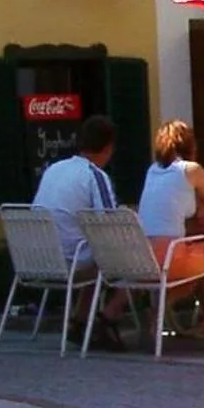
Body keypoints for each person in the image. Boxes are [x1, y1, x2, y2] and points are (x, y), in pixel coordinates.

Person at [28, 114, 130, 347]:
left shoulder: (54, 169)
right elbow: (110, 224)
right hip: (70, 262)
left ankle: (80, 321)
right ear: (109, 148)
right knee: (132, 264)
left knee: (95, 257)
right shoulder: (95, 175)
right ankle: (108, 318)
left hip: (39, 259)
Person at [137, 118, 204, 342]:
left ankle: (156, 312)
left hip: (141, 255)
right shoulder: (192, 170)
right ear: (190, 145)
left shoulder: (153, 170)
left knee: (194, 274)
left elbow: (189, 210)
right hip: (169, 255)